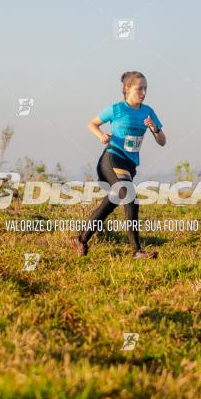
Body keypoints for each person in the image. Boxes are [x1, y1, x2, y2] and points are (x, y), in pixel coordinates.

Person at [71, 70, 166, 259]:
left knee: (111, 202)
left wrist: (155, 129)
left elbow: (162, 141)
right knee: (131, 198)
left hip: (130, 164)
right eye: (140, 89)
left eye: (146, 89)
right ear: (127, 89)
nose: (144, 93)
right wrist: (101, 136)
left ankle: (80, 240)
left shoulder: (148, 112)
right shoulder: (116, 109)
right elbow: (92, 124)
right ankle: (136, 251)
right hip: (112, 158)